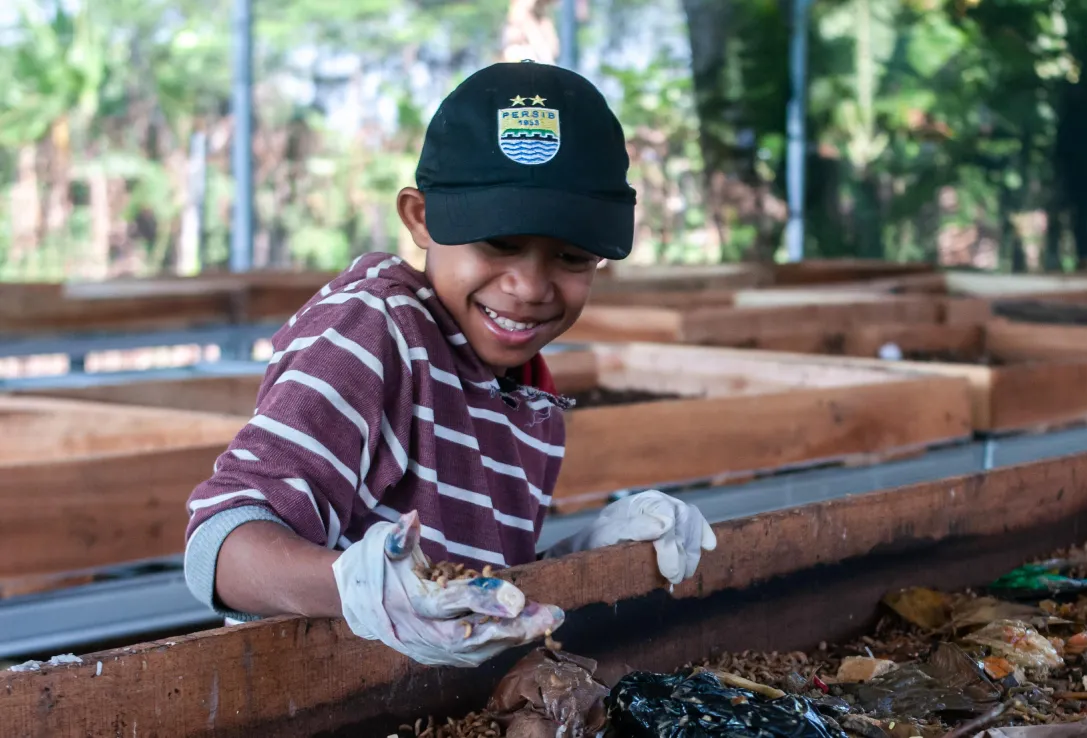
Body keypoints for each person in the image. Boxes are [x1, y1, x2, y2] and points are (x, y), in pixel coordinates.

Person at [182, 61, 716, 667]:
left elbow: (468, 588)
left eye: (570, 256)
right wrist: (359, 587)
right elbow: (219, 547)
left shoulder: (529, 399)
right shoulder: (375, 334)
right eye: (500, 243)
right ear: (421, 218)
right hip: (313, 699)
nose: (529, 286)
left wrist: (591, 551)